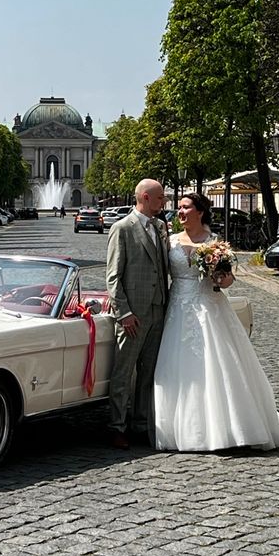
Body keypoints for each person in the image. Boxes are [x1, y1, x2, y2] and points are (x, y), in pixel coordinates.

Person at [153, 192, 279, 451]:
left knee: (217, 364)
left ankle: (229, 428)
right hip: (178, 307)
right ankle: (186, 429)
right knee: (180, 366)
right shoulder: (170, 241)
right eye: (179, 209)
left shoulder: (214, 243)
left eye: (185, 208)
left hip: (208, 305)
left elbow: (228, 279)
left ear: (200, 212)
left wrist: (220, 277)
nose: (180, 213)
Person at [106, 179, 168, 449]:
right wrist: (124, 312)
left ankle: (140, 424)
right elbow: (112, 276)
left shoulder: (160, 227)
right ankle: (116, 427)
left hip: (158, 310)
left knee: (148, 373)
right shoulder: (122, 228)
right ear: (144, 197)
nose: (164, 202)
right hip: (133, 315)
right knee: (123, 373)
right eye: (160, 198)